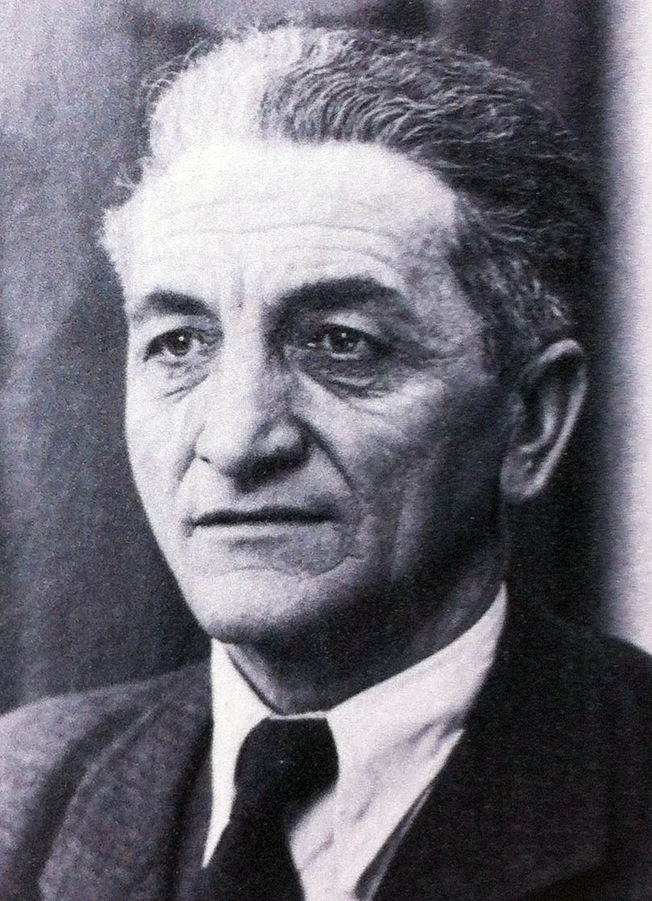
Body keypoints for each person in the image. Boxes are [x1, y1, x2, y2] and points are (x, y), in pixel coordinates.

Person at [1, 23, 651, 901]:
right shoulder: (21, 790)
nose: (237, 440)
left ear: (531, 420)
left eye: (342, 343)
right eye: (180, 342)